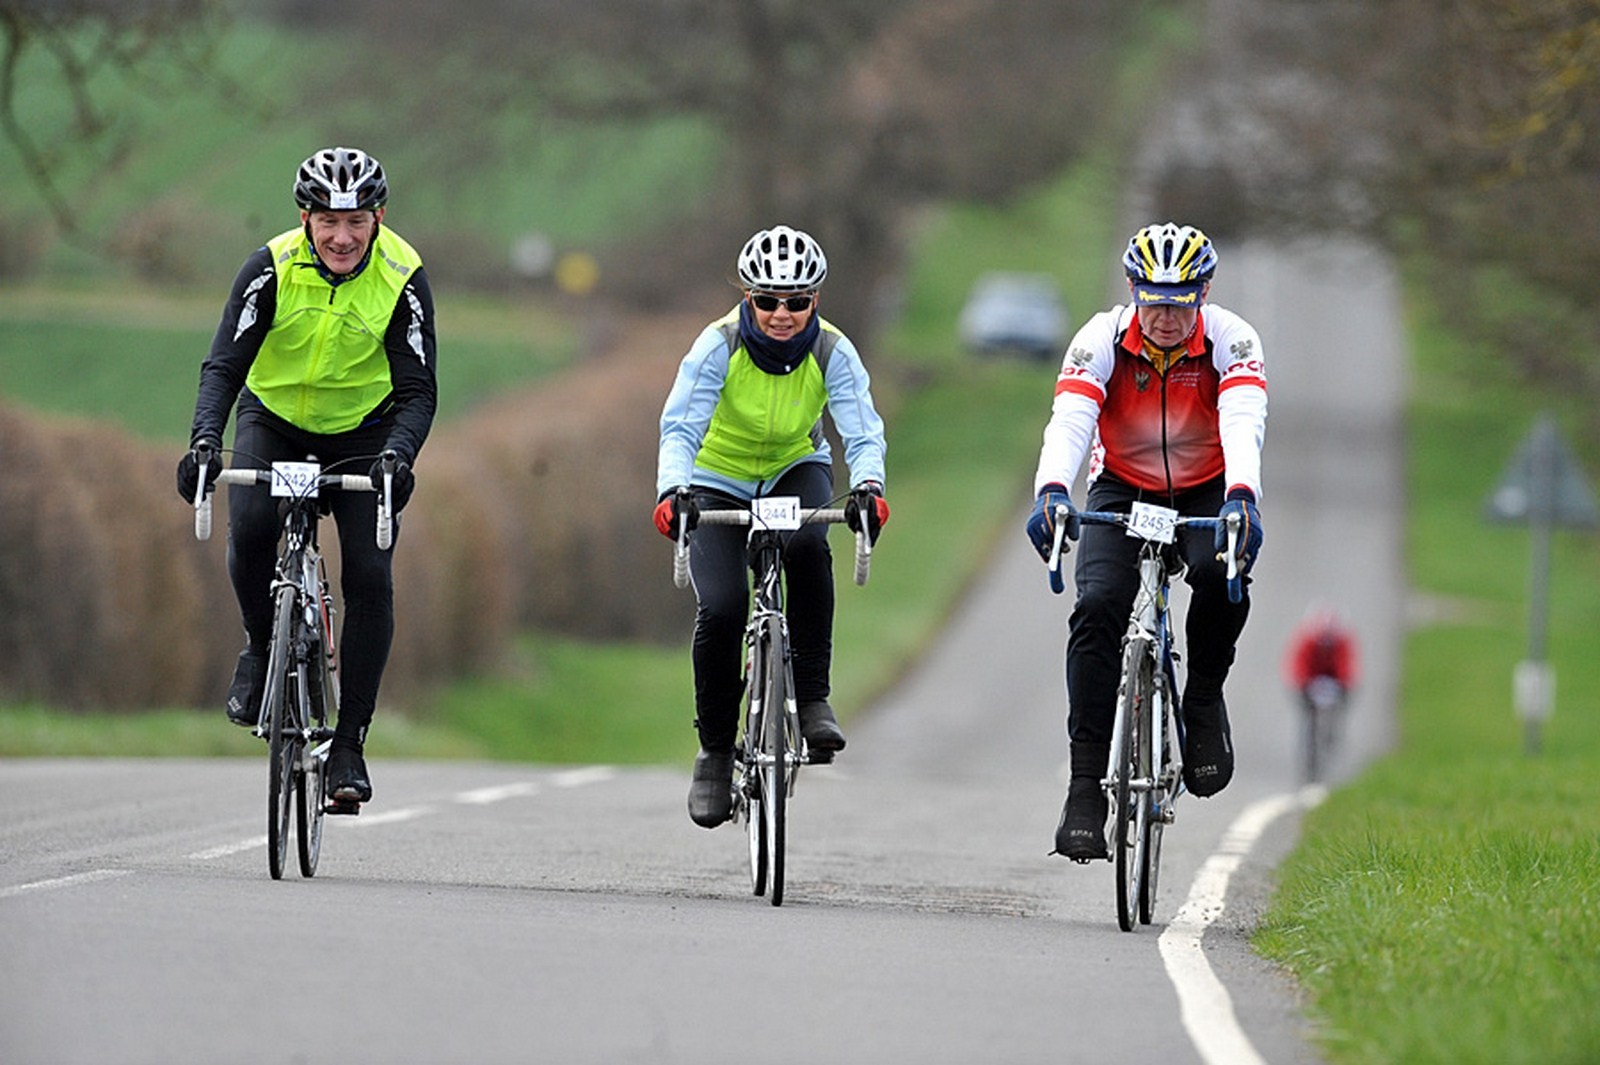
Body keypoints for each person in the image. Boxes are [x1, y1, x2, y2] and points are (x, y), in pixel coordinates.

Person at [175, 146, 437, 806]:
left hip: (364, 432)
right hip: (277, 416)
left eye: (357, 222)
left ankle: (348, 744)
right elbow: (223, 369)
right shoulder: (269, 268)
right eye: (328, 221)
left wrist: (397, 458)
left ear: (379, 217)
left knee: (370, 574)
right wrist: (206, 441)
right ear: (305, 218)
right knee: (254, 521)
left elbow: (417, 391)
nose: (343, 237)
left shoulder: (402, 275)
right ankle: (261, 645)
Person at [1024, 222, 1267, 861]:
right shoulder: (1099, 338)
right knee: (1098, 604)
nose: (1164, 315)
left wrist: (1243, 495)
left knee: (1222, 575)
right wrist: (1052, 489)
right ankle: (1084, 788)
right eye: (1153, 299)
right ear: (1133, 290)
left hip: (1206, 486)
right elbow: (1071, 420)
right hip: (1122, 488)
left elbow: (1244, 420)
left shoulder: (1232, 339)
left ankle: (1204, 698)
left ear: (1203, 292)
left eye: (1180, 300)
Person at [654, 224, 890, 828]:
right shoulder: (717, 346)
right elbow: (680, 427)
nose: (781, 314)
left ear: (817, 300)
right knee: (726, 607)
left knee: (811, 543)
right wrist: (673, 492)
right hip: (718, 478)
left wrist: (868, 488)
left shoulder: (833, 351)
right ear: (746, 297)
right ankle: (713, 752)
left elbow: (861, 429)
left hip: (794, 468)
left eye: (796, 301)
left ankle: (811, 697)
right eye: (766, 301)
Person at [1283, 608, 1360, 708]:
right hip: (1310, 681)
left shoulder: (1342, 644)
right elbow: (1299, 665)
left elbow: (1346, 666)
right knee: (1302, 700)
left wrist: (1344, 682)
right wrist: (1304, 682)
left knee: (1345, 698)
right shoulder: (1308, 643)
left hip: (1334, 681)